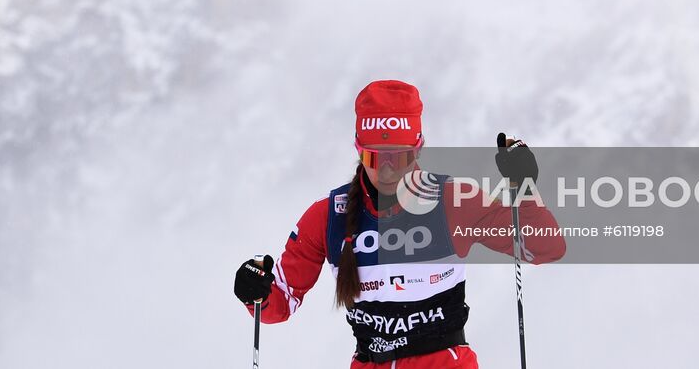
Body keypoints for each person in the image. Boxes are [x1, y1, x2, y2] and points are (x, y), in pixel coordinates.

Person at [232, 80, 565, 368]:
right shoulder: (328, 216)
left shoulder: (452, 201)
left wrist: (525, 187)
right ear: (359, 152)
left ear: (417, 151)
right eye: (376, 157)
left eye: (401, 157)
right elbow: (278, 304)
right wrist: (254, 289)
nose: (389, 170)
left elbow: (545, 247)